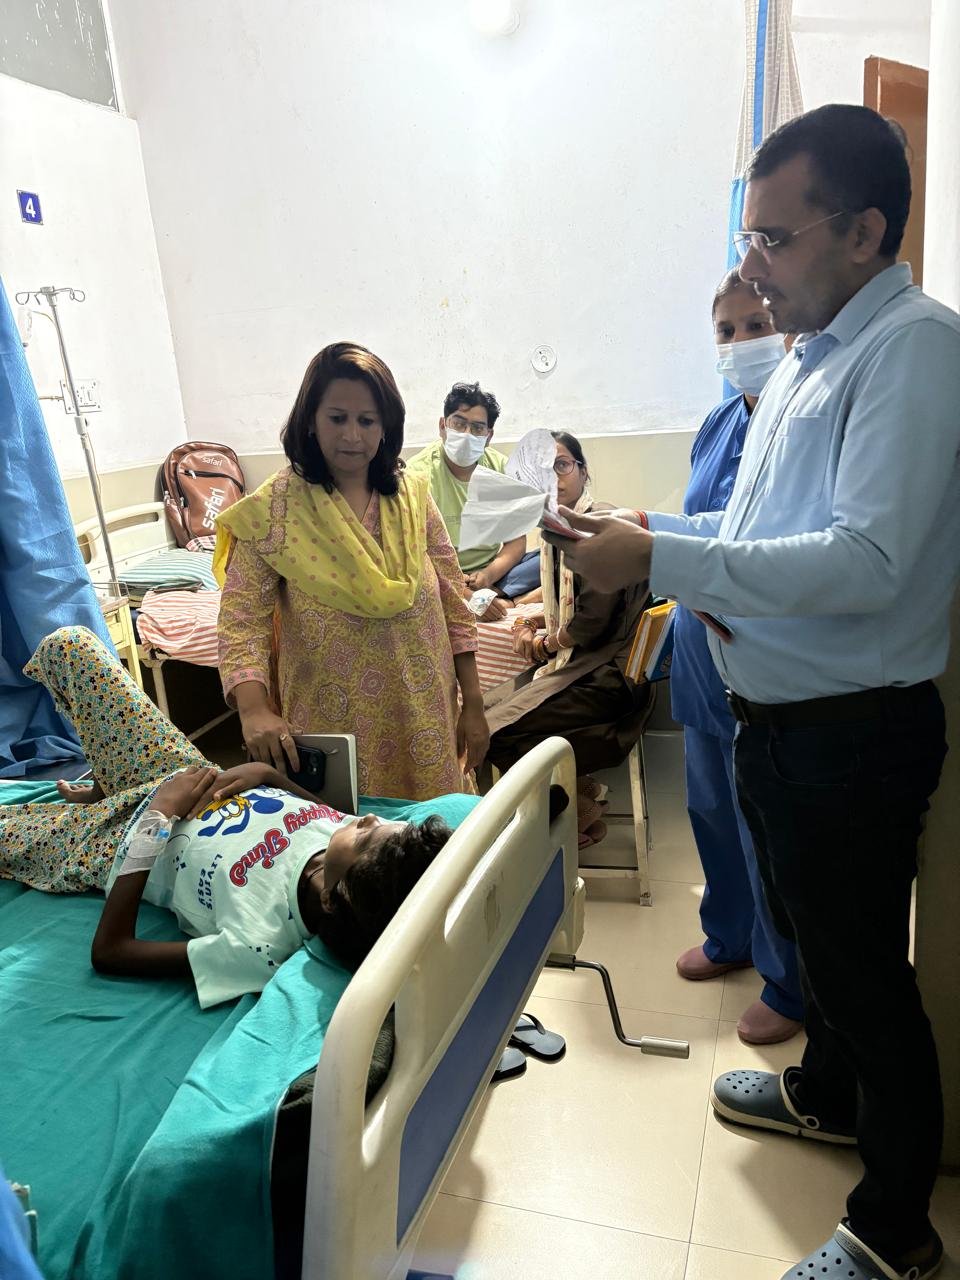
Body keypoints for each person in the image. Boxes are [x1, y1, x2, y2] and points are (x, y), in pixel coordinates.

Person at [546, 104, 960, 1280]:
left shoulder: (915, 350)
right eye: (750, 238)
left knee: (866, 974)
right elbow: (759, 522)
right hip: (778, 720)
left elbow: (867, 560)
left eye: (776, 239)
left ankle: (894, 1229)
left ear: (865, 231)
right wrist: (652, 528)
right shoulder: (810, 359)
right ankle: (826, 1093)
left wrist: (663, 563)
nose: (755, 268)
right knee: (810, 941)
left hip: (852, 731)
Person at [0, 627, 454, 1007]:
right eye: (383, 823)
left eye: (367, 836)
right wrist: (267, 776)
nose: (369, 818)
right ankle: (109, 782)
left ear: (336, 900)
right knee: (70, 646)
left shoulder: (259, 946)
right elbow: (328, 813)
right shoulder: (341, 843)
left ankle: (109, 801)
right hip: (179, 771)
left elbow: (111, 951)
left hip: (119, 840)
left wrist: (156, 818)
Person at [215, 343, 489, 802]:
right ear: (310, 419)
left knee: (434, 830)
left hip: (424, 711)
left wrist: (474, 704)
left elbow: (453, 601)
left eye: (367, 421)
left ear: (386, 426)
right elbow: (242, 620)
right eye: (337, 418)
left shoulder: (412, 496)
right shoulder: (275, 511)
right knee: (350, 838)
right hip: (333, 721)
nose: (353, 435)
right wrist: (253, 708)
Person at [672, 270, 803, 1047]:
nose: (743, 342)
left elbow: (761, 538)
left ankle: (788, 982)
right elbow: (699, 521)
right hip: (698, 649)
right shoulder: (718, 424)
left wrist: (651, 536)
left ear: (785, 327)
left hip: (759, 651)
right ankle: (729, 936)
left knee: (766, 823)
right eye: (727, 330)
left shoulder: (802, 416)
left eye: (757, 325)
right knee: (712, 809)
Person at [484, 432, 652, 846]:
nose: (552, 478)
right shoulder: (560, 530)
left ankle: (572, 810)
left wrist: (543, 643)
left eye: (561, 465)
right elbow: (570, 601)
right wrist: (535, 621)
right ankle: (583, 798)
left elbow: (592, 622)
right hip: (591, 663)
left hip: (609, 675)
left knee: (492, 732)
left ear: (582, 471)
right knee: (493, 714)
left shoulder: (596, 526)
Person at [406, 382, 541, 618]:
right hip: (438, 573)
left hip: (491, 572)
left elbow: (515, 542)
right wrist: (466, 595)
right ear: (442, 426)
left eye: (478, 428)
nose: (467, 434)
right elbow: (417, 554)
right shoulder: (417, 475)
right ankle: (498, 598)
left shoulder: (501, 469)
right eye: (459, 424)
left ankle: (499, 595)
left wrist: (487, 576)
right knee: (416, 580)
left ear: (488, 436)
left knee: (553, 556)